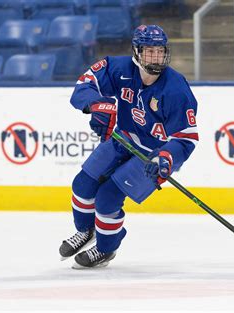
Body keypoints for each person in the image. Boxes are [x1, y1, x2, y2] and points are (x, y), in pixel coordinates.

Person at [59, 25, 199, 268]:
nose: (155, 57)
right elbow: (85, 84)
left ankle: (105, 248)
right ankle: (86, 231)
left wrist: (165, 158)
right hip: (122, 139)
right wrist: (96, 105)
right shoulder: (118, 68)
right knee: (82, 184)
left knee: (107, 198)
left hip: (153, 155)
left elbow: (185, 139)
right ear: (137, 52)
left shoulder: (176, 89)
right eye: (149, 51)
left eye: (160, 51)